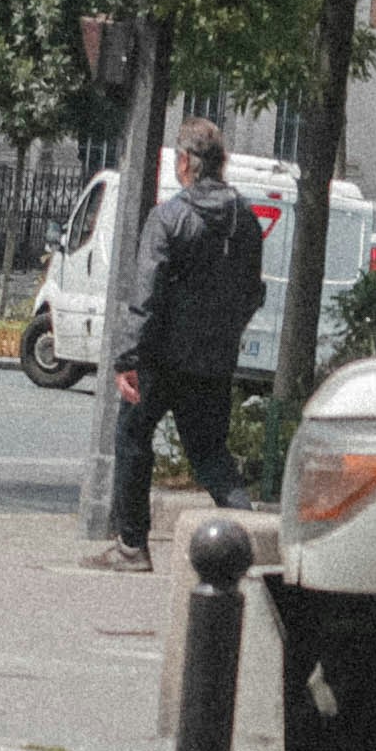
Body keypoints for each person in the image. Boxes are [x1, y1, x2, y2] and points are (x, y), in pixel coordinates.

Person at [88, 118, 268, 572]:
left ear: (185, 162)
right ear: (221, 164)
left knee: (132, 436)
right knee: (210, 454)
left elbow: (145, 294)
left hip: (160, 359)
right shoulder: (244, 221)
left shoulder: (169, 217)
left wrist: (128, 357)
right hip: (212, 360)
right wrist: (225, 334)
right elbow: (252, 293)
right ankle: (249, 541)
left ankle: (132, 545)